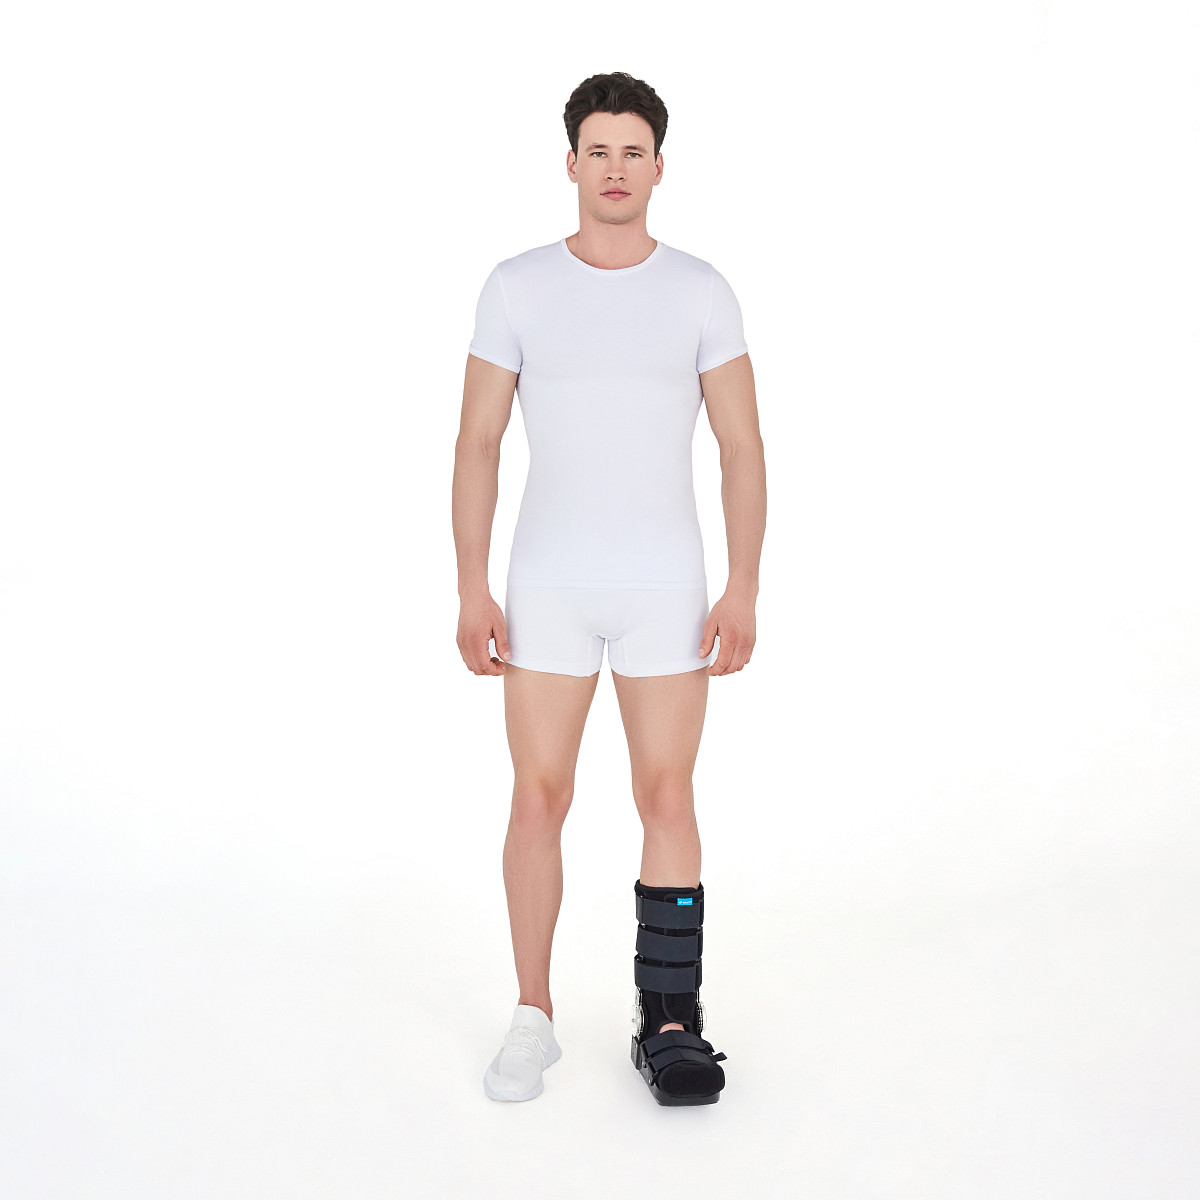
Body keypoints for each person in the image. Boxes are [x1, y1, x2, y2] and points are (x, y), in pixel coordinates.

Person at [453, 71, 766, 1105]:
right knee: (537, 794)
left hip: (666, 582)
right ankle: (532, 1016)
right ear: (572, 163)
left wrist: (743, 586)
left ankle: (669, 1018)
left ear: (659, 167)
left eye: (634, 151)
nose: (616, 168)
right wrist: (471, 587)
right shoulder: (516, 286)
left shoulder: (701, 291)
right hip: (546, 579)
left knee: (667, 794)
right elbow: (478, 442)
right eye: (600, 151)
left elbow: (742, 447)